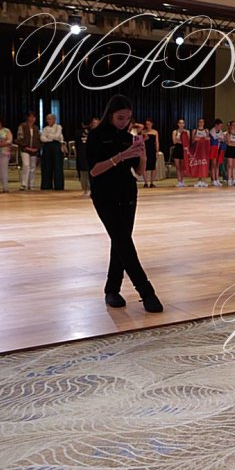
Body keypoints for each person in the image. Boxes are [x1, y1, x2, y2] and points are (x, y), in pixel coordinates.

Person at [87, 94, 163, 313]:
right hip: (104, 195)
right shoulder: (96, 136)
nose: (124, 122)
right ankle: (146, 291)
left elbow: (139, 172)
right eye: (120, 118)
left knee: (120, 242)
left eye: (127, 118)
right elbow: (94, 170)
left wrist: (142, 155)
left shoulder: (128, 137)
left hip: (128, 193)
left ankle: (112, 289)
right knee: (123, 241)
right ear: (110, 115)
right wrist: (121, 156)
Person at [15, 112, 41, 190]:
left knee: (33, 167)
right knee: (26, 165)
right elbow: (19, 138)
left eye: (34, 117)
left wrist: (37, 148)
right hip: (25, 149)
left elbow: (38, 139)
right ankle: (24, 184)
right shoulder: (22, 126)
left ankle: (31, 184)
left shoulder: (36, 128)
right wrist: (25, 147)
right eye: (30, 117)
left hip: (34, 150)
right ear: (27, 118)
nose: (32, 119)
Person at [40, 113, 65, 191]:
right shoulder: (45, 128)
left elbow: (57, 136)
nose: (48, 121)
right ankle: (46, 185)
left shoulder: (58, 127)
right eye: (47, 119)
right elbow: (42, 138)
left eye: (50, 119)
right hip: (47, 147)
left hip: (56, 146)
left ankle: (59, 185)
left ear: (54, 119)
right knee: (47, 166)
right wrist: (51, 137)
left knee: (57, 166)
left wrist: (48, 136)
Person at [77, 117, 100, 196]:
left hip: (98, 157)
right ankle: (86, 189)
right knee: (85, 172)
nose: (94, 125)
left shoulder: (102, 133)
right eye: (93, 123)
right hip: (86, 156)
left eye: (96, 123)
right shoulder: (87, 133)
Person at [190, 118, 211, 187]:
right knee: (199, 165)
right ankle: (199, 180)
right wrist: (198, 139)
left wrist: (204, 139)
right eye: (200, 122)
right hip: (197, 150)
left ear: (204, 123)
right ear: (198, 123)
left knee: (204, 165)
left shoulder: (206, 130)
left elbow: (208, 139)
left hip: (204, 151)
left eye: (202, 122)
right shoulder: (195, 130)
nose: (201, 123)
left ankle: (203, 180)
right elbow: (193, 140)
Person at [171, 119, 189, 187]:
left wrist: (181, 141)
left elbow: (188, 142)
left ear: (184, 124)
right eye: (180, 123)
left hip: (184, 149)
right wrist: (178, 138)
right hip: (177, 149)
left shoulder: (187, 132)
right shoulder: (175, 132)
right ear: (178, 124)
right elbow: (174, 142)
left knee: (182, 167)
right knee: (177, 166)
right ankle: (179, 181)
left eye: (182, 123)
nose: (181, 124)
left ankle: (182, 180)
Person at [142, 119, 159, 188]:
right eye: (146, 124)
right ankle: (146, 182)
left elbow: (157, 142)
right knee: (144, 166)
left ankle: (152, 183)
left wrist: (157, 151)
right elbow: (141, 142)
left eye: (149, 124)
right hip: (145, 150)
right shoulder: (143, 132)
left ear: (152, 124)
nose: (147, 125)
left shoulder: (155, 132)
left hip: (152, 150)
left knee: (153, 167)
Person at [209, 118, 225, 187]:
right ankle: (213, 180)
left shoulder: (220, 131)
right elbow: (215, 139)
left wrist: (220, 139)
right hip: (213, 149)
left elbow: (222, 139)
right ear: (216, 125)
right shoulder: (212, 131)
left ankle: (217, 179)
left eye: (221, 126)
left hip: (219, 149)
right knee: (213, 165)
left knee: (217, 165)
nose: (220, 127)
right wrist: (219, 139)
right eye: (220, 126)